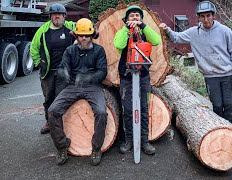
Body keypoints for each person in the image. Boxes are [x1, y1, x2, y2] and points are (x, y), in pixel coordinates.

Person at [159, 1, 232, 124]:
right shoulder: (194, 32)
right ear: (199, 17)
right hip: (210, 77)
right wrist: (167, 29)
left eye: (208, 15)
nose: (206, 19)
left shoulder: (225, 31)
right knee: (217, 106)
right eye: (202, 16)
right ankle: (219, 132)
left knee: (229, 105)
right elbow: (176, 37)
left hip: (228, 75)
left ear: (213, 15)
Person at [48, 18, 108, 166]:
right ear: (76, 36)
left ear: (92, 35)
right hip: (72, 86)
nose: (84, 38)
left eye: (87, 35)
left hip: (92, 87)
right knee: (53, 110)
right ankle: (62, 147)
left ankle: (96, 148)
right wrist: (63, 73)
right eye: (81, 35)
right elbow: (62, 67)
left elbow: (102, 72)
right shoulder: (70, 50)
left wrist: (88, 77)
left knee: (101, 112)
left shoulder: (99, 51)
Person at [114, 5, 162, 155]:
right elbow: (118, 44)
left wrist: (142, 25)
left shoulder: (145, 32)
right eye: (131, 16)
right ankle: (128, 140)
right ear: (126, 19)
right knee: (127, 109)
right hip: (127, 77)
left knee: (143, 108)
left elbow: (157, 41)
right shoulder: (123, 32)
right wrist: (127, 30)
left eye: (137, 15)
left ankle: (144, 141)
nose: (134, 17)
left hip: (143, 76)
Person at [30, 3, 76, 134]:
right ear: (50, 16)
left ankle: (64, 122)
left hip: (65, 71)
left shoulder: (70, 27)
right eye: (54, 15)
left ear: (64, 16)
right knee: (49, 98)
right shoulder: (43, 30)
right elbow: (33, 48)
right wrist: (39, 63)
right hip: (48, 72)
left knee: (62, 97)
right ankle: (49, 122)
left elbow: (83, 28)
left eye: (60, 14)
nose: (57, 17)